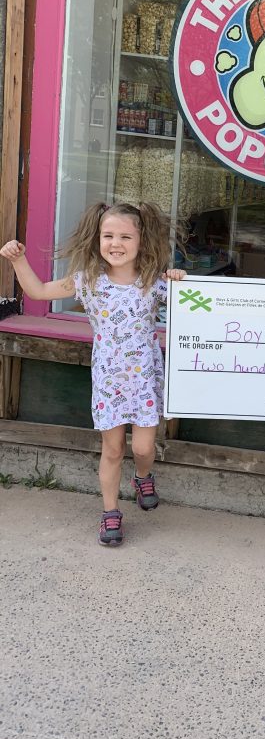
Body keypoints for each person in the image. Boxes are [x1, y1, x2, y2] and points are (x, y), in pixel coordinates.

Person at [0, 202, 186, 547]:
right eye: (108, 235)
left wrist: (178, 280)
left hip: (144, 381)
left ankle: (143, 476)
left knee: (143, 447)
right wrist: (18, 260)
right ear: (98, 239)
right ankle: (110, 512)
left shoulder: (153, 282)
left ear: (141, 240)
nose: (116, 243)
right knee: (112, 450)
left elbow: (194, 303)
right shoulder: (88, 282)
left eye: (125, 236)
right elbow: (38, 291)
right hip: (108, 383)